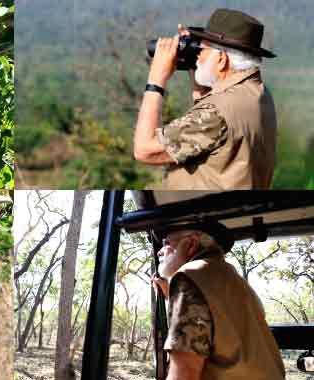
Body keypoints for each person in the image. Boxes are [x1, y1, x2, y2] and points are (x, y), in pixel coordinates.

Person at [133, 9, 277, 190]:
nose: (199, 56)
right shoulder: (258, 93)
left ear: (222, 60)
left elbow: (144, 150)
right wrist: (194, 63)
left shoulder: (216, 114)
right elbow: (210, 130)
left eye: (202, 50)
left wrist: (155, 80)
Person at [151, 223, 285, 380]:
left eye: (167, 243)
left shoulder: (190, 276)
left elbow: (184, 373)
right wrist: (172, 298)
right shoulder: (233, 278)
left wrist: (182, 290)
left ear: (191, 244)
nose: (160, 251)